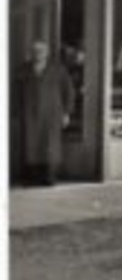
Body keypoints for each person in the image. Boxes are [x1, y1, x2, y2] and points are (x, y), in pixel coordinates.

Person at [21, 40, 75, 186]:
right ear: (31, 52)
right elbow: (15, 92)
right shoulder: (24, 69)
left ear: (47, 52)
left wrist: (67, 113)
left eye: (41, 50)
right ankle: (33, 178)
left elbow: (69, 92)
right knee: (32, 145)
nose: (38, 53)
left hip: (52, 114)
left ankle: (50, 177)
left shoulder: (58, 69)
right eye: (35, 50)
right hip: (30, 114)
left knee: (50, 146)